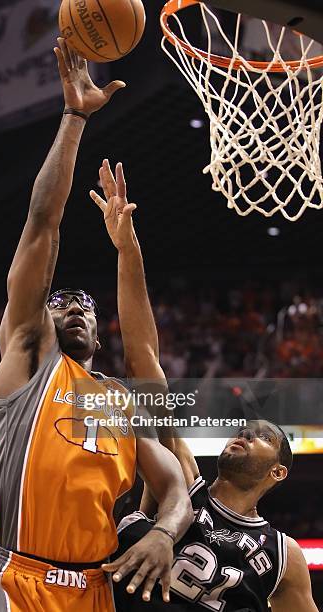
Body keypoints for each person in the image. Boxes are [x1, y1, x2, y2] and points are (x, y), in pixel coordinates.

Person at [0, 39, 193, 612]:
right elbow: (41, 225)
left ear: (99, 327)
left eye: (84, 303)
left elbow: (175, 488)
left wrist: (166, 532)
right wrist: (73, 119)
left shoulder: (118, 400)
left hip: (94, 589)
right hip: (15, 578)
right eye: (59, 299)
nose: (72, 305)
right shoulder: (31, 362)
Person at [89, 162, 319, 611]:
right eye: (248, 429)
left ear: (279, 472)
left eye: (263, 438)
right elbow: (145, 360)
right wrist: (127, 247)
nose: (246, 434)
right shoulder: (180, 481)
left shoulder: (284, 556)